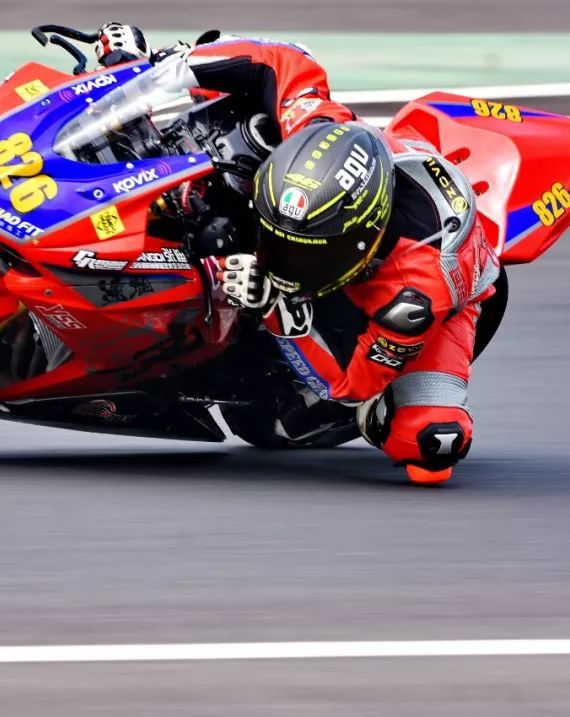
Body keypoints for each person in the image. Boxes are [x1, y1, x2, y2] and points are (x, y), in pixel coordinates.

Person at [94, 23, 501, 484]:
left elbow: (349, 384)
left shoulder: (413, 298)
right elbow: (282, 59)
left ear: (359, 244)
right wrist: (160, 69)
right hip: (347, 212)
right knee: (230, 80)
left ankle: (381, 414)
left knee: (431, 445)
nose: (280, 259)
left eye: (301, 254)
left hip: (431, 305)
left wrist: (276, 310)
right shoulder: (318, 129)